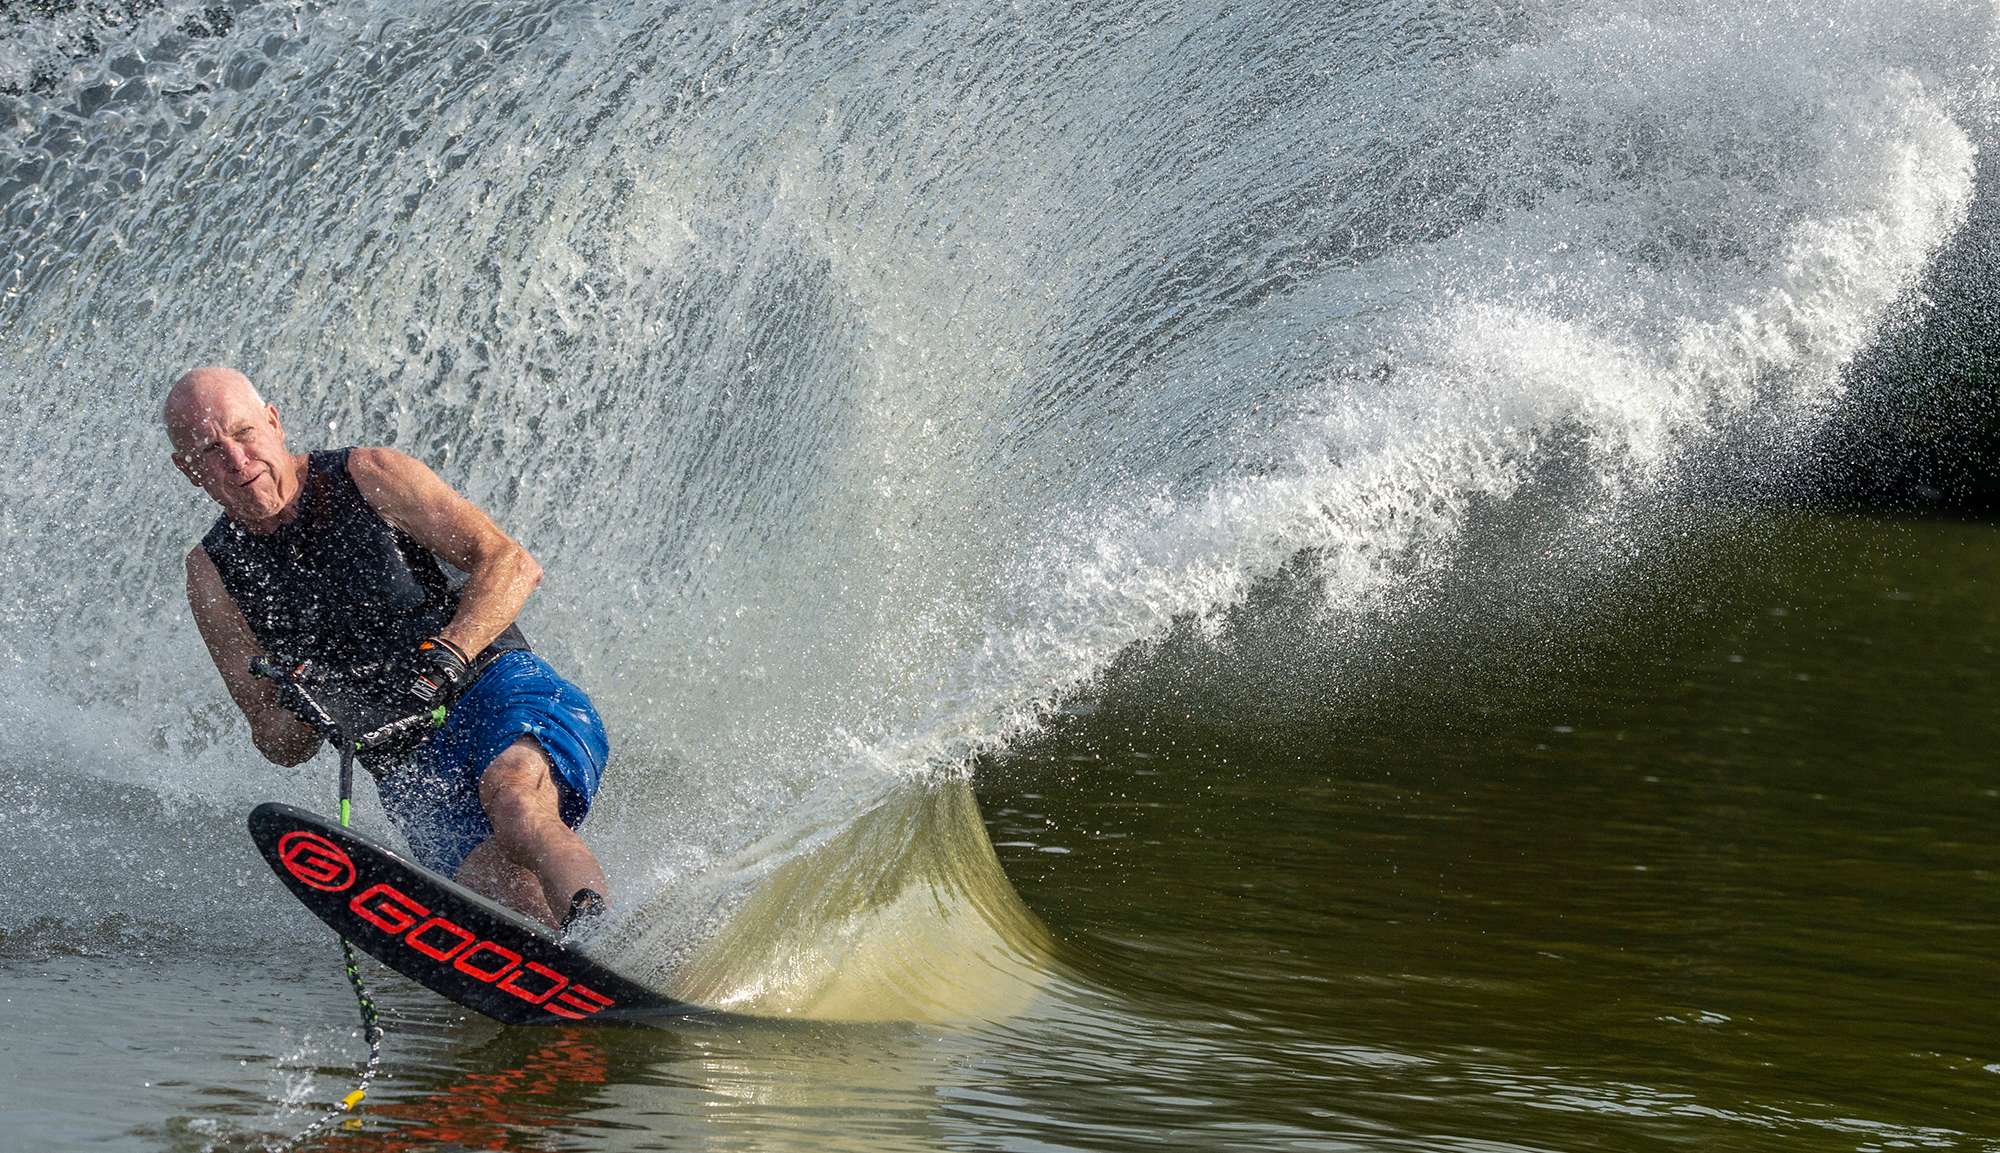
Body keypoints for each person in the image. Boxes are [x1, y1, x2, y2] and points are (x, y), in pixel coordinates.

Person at [165, 366, 610, 932]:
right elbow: (274, 738)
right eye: (209, 448)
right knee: (497, 891)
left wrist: (450, 653)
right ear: (188, 470)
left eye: (244, 431)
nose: (236, 458)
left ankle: (598, 929)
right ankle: (590, 970)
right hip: (405, 761)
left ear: (273, 423)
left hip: (499, 692)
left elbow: (511, 564)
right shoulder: (212, 575)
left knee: (517, 806)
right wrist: (306, 709)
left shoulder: (369, 475)